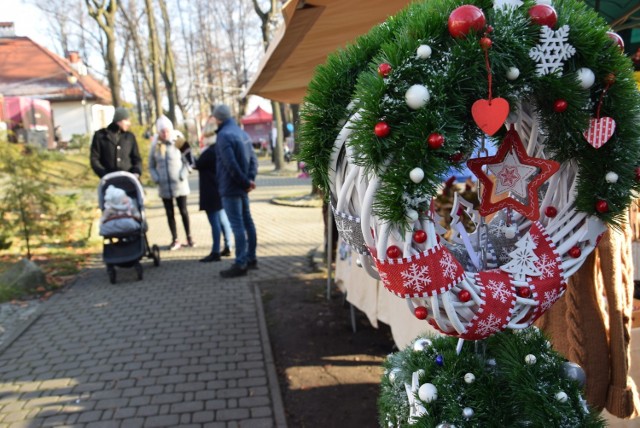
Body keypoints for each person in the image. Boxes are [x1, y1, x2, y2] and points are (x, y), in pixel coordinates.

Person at [213, 104, 258, 278]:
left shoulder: (224, 136)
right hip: (242, 187)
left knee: (238, 225)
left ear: (218, 118)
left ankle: (240, 263)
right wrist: (249, 180)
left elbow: (229, 164)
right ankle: (251, 258)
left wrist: (245, 182)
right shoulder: (242, 133)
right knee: (248, 222)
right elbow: (253, 159)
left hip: (231, 188)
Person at [149, 115, 193, 250]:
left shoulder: (178, 140)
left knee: (183, 211)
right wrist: (156, 178)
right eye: (162, 131)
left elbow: (190, 161)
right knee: (169, 213)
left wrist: (183, 175)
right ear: (158, 132)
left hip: (180, 184)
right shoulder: (156, 145)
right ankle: (175, 239)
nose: (165, 133)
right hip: (164, 186)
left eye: (167, 130)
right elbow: (151, 165)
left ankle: (189, 237)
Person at [195, 135, 233, 262]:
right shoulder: (220, 150)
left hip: (210, 192)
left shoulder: (209, 152)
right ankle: (228, 245)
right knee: (223, 219)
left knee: (215, 222)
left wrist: (185, 152)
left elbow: (196, 164)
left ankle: (215, 251)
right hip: (220, 189)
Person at [90, 107, 142, 178]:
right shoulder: (100, 136)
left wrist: (136, 172)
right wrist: (104, 174)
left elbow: (137, 159)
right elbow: (94, 159)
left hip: (129, 180)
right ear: (119, 120)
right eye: (126, 120)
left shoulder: (130, 137)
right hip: (108, 180)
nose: (129, 123)